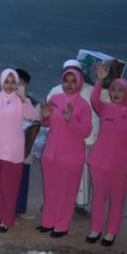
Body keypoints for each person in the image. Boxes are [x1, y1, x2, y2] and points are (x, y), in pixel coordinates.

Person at [86, 62, 127, 246]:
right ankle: (96, 229)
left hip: (122, 165)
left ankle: (111, 232)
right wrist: (100, 80)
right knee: (98, 198)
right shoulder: (105, 108)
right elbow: (94, 100)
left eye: (120, 90)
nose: (116, 93)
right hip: (99, 161)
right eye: (114, 89)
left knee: (117, 200)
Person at [38, 68, 93, 237]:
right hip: (51, 154)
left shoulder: (83, 105)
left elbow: (86, 131)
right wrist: (45, 116)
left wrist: (71, 121)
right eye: (65, 80)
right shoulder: (55, 99)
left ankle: (61, 226)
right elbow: (47, 124)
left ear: (79, 83)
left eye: (72, 81)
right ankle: (48, 222)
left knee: (67, 193)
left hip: (71, 157)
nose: (68, 84)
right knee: (51, 191)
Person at [0, 69, 38, 233]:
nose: (10, 85)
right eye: (7, 81)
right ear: (1, 82)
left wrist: (23, 98)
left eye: (14, 82)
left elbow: (32, 117)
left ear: (19, 84)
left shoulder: (22, 101)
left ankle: (6, 220)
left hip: (13, 150)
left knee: (10, 187)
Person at [47, 59, 102, 214]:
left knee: (82, 175)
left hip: (88, 136)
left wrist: (101, 80)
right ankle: (55, 203)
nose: (71, 75)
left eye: (75, 70)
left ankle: (79, 205)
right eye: (68, 71)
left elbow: (105, 102)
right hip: (61, 140)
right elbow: (47, 113)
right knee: (58, 175)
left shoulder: (91, 90)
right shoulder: (56, 90)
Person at [15, 68, 41, 216]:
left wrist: (28, 147)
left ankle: (18, 208)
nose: (16, 84)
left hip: (24, 146)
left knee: (21, 178)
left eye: (20, 81)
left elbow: (35, 127)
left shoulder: (32, 102)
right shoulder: (4, 99)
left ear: (26, 84)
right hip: (5, 147)